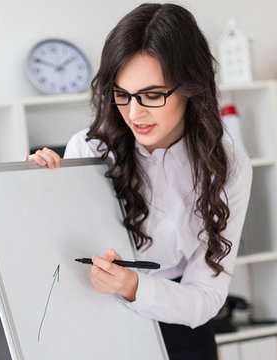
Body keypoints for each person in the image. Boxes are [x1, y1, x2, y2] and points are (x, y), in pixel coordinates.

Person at [26, 3, 252, 359]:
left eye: (152, 95)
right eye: (122, 94)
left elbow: (207, 296)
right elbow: (59, 259)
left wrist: (135, 287)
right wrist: (36, 193)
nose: (134, 113)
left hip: (181, 326)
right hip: (103, 325)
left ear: (191, 87)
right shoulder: (88, 148)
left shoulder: (226, 164)